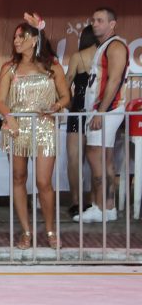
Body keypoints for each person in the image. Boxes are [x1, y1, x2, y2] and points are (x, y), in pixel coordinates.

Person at [0, 15, 70, 249]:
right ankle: (26, 232)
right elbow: (0, 101)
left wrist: (56, 107)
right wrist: (9, 118)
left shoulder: (52, 66)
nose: (17, 40)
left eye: (22, 36)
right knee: (18, 178)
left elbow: (66, 96)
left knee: (43, 182)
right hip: (16, 128)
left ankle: (50, 231)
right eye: (15, 37)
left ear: (34, 39)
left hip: (45, 126)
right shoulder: (9, 68)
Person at [74, 7, 129, 223]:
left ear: (112, 24)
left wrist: (101, 111)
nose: (94, 23)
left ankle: (102, 207)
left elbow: (114, 80)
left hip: (106, 110)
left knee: (97, 157)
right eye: (93, 20)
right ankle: (107, 207)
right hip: (99, 109)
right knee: (102, 159)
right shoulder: (104, 46)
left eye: (100, 20)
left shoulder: (115, 46)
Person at [63, 24, 99, 218]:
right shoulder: (106, 54)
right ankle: (94, 202)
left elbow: (66, 84)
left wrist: (69, 104)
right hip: (96, 113)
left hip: (78, 112)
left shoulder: (78, 57)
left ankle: (77, 202)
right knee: (96, 161)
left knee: (74, 160)